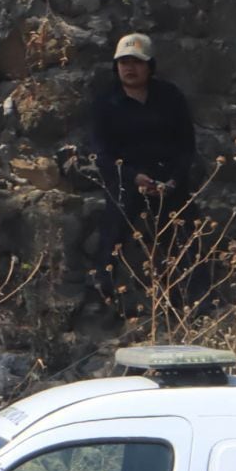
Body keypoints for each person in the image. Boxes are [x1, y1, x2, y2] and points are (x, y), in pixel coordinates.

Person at [86, 33, 196, 296]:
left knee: (189, 234)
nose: (129, 68)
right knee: (114, 229)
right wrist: (133, 178)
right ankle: (103, 296)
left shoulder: (170, 97)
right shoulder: (105, 103)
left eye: (136, 62)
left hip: (168, 180)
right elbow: (101, 154)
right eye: (124, 62)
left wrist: (173, 180)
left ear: (149, 66)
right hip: (127, 181)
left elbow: (186, 146)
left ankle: (197, 300)